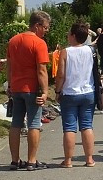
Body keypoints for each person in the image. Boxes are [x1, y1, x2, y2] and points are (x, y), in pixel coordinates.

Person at [5, 10, 50, 170]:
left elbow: (9, 66)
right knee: (34, 124)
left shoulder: (13, 41)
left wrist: (9, 85)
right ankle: (31, 160)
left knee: (16, 123)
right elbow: (41, 70)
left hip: (16, 89)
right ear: (37, 25)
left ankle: (15, 160)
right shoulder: (39, 43)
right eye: (45, 27)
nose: (46, 30)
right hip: (32, 90)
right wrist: (45, 91)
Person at [53, 21, 97, 167]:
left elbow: (60, 74)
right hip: (88, 91)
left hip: (70, 92)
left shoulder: (66, 52)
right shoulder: (90, 51)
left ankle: (68, 160)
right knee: (87, 126)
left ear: (72, 35)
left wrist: (57, 91)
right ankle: (89, 158)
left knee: (69, 127)